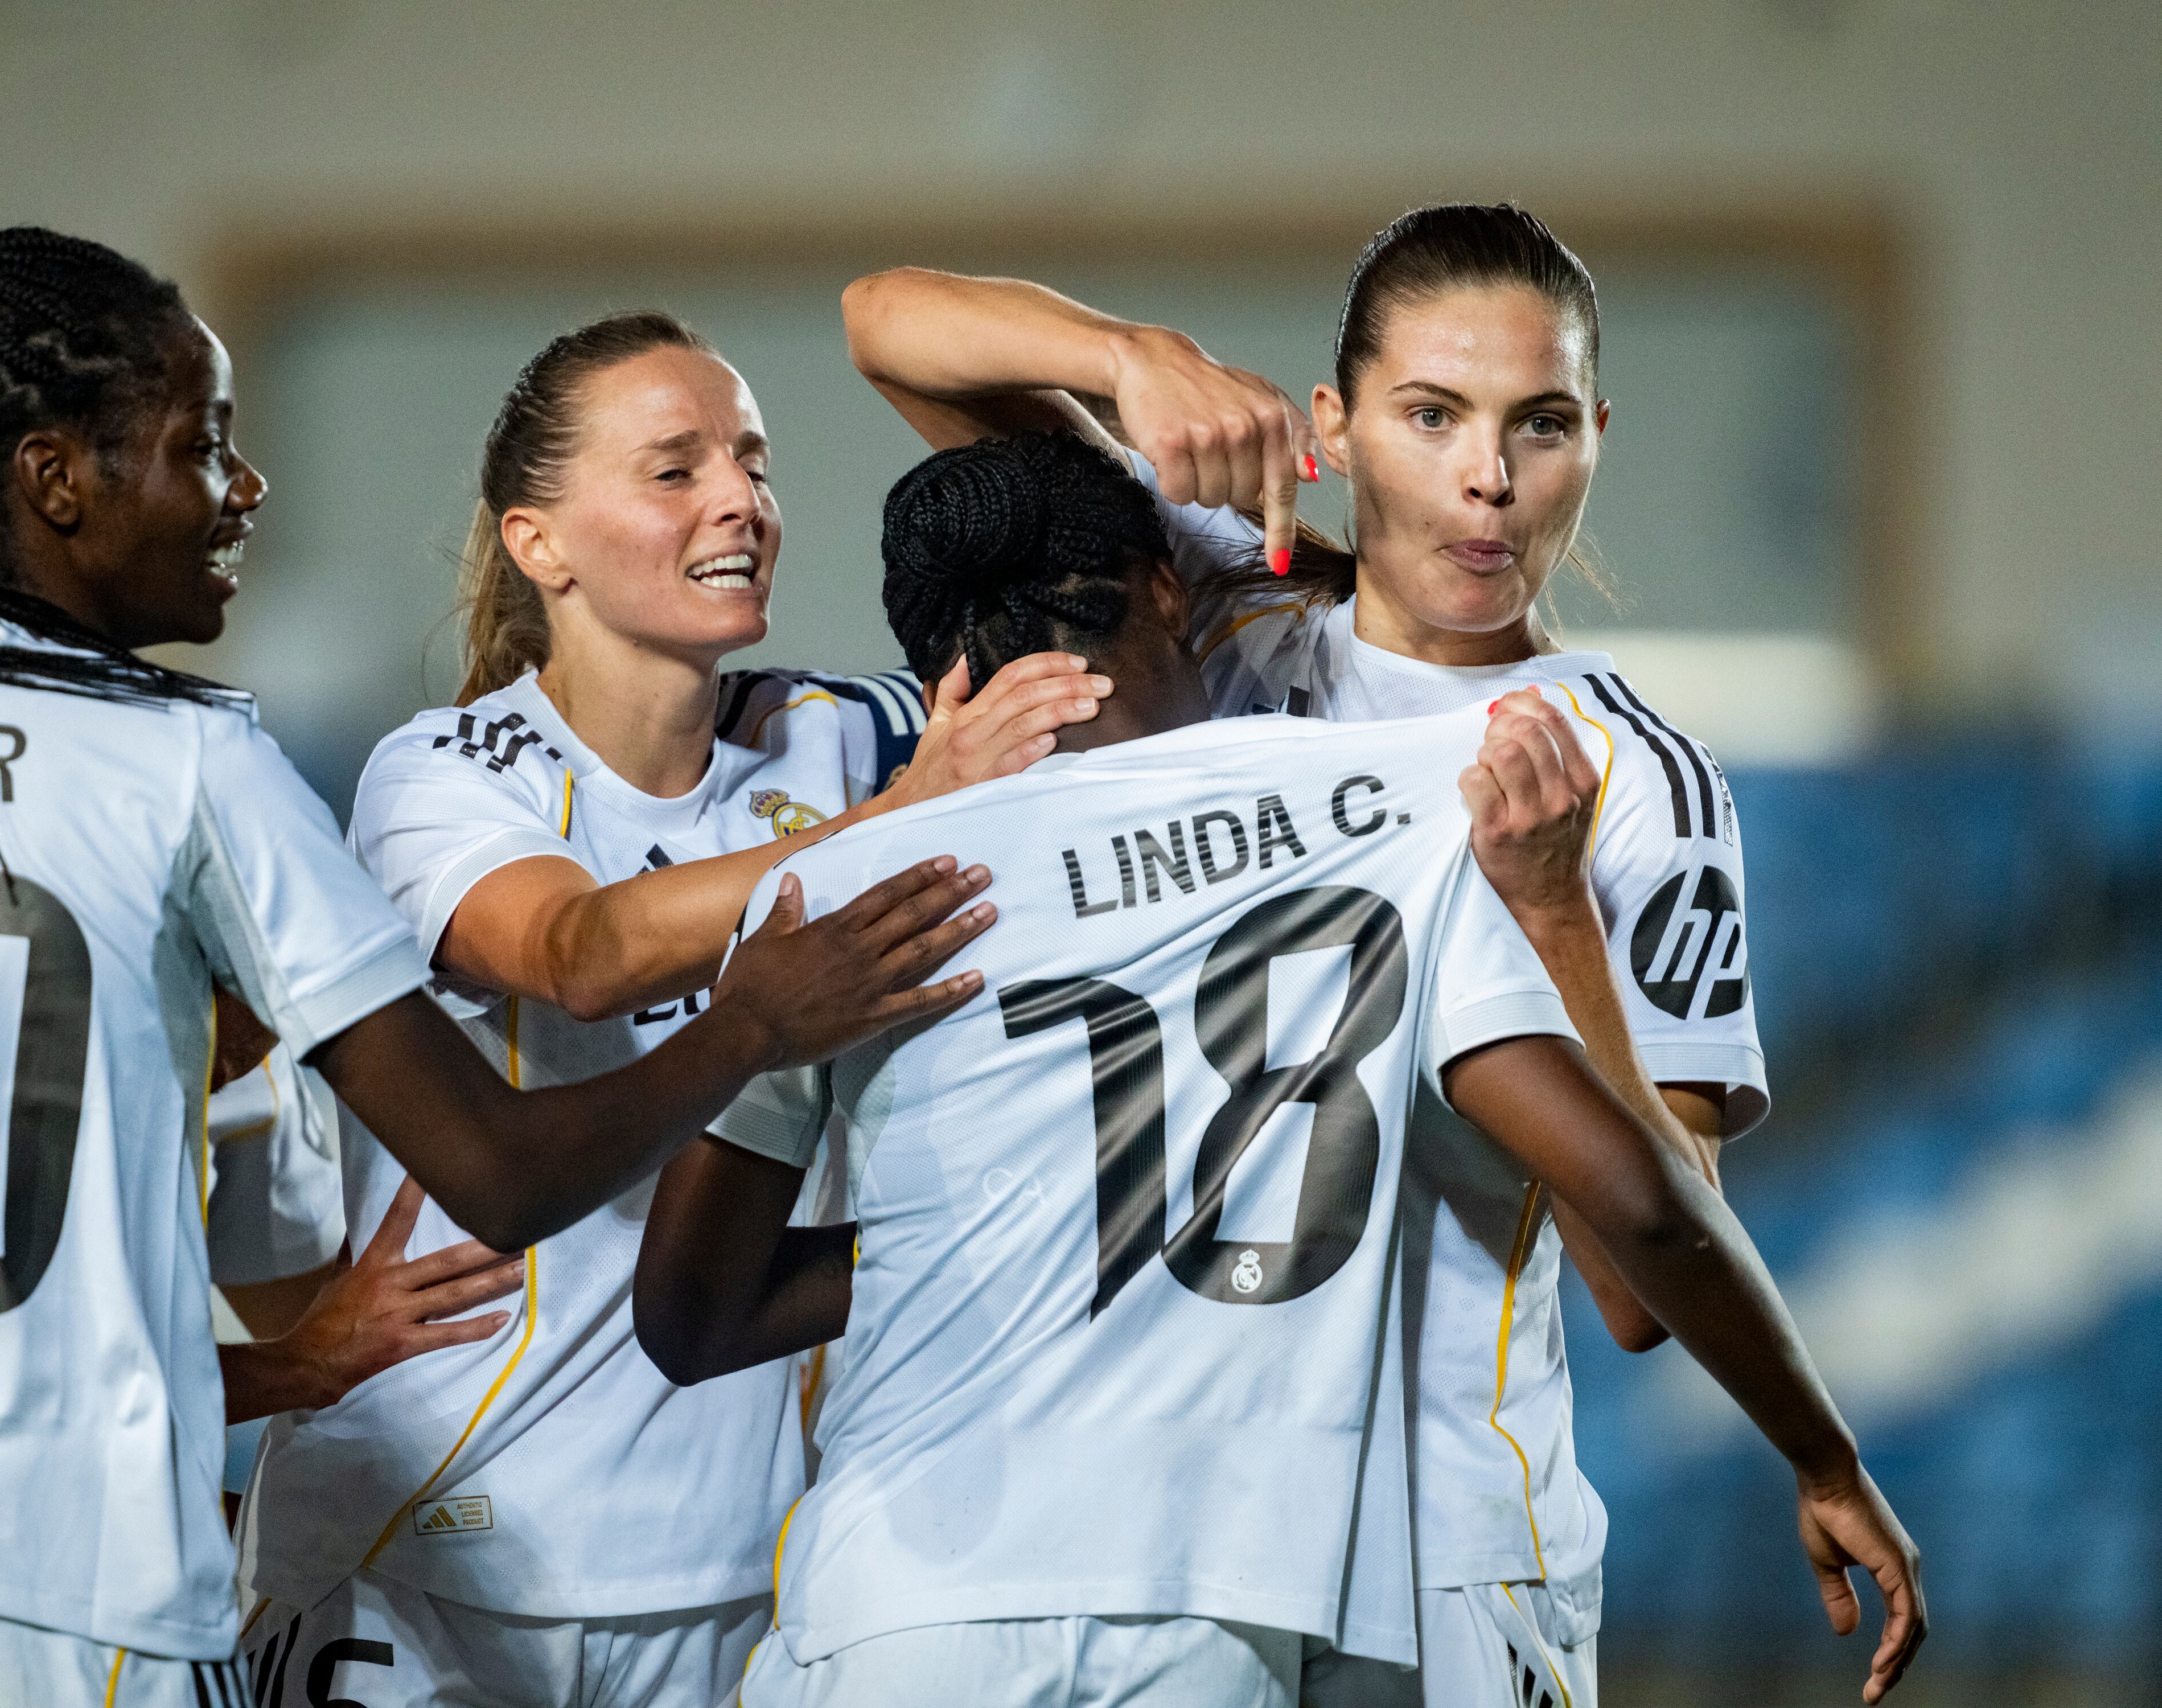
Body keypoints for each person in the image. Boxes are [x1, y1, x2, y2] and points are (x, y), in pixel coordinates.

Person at [0, 229, 990, 1708]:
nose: (244, 491)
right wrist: (756, 1020)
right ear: (54, 478)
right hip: (59, 1565)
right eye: (200, 448)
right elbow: (509, 1147)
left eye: (755, 462)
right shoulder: (189, 760)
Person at [633, 431, 1921, 1707]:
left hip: (892, 1611)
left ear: (934, 671)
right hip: (1208, 1616)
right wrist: (1821, 1456)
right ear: (1164, 589)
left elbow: (695, 1315)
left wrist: (981, 1238)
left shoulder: (834, 889)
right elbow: (1637, 1204)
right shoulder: (1392, 812)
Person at [840, 204, 1799, 1703]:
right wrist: (1125, 360)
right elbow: (885, 321)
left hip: (1446, 1545)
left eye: (1537, 424)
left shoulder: (1637, 782)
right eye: (1432, 415)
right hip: (1186, 1539)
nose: (1485, 477)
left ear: (1595, 437)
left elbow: (1636, 1287)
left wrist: (1548, 909)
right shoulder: (1230, 608)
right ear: (1335, 427)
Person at [237, 310, 1107, 1708]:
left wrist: (1120, 373)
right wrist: (901, 818)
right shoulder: (447, 768)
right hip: (441, 1535)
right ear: (540, 543)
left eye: (754, 464)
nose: (742, 502)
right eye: (675, 469)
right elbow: (582, 949)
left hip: (727, 1554)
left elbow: (1076, 549)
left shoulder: (843, 731)